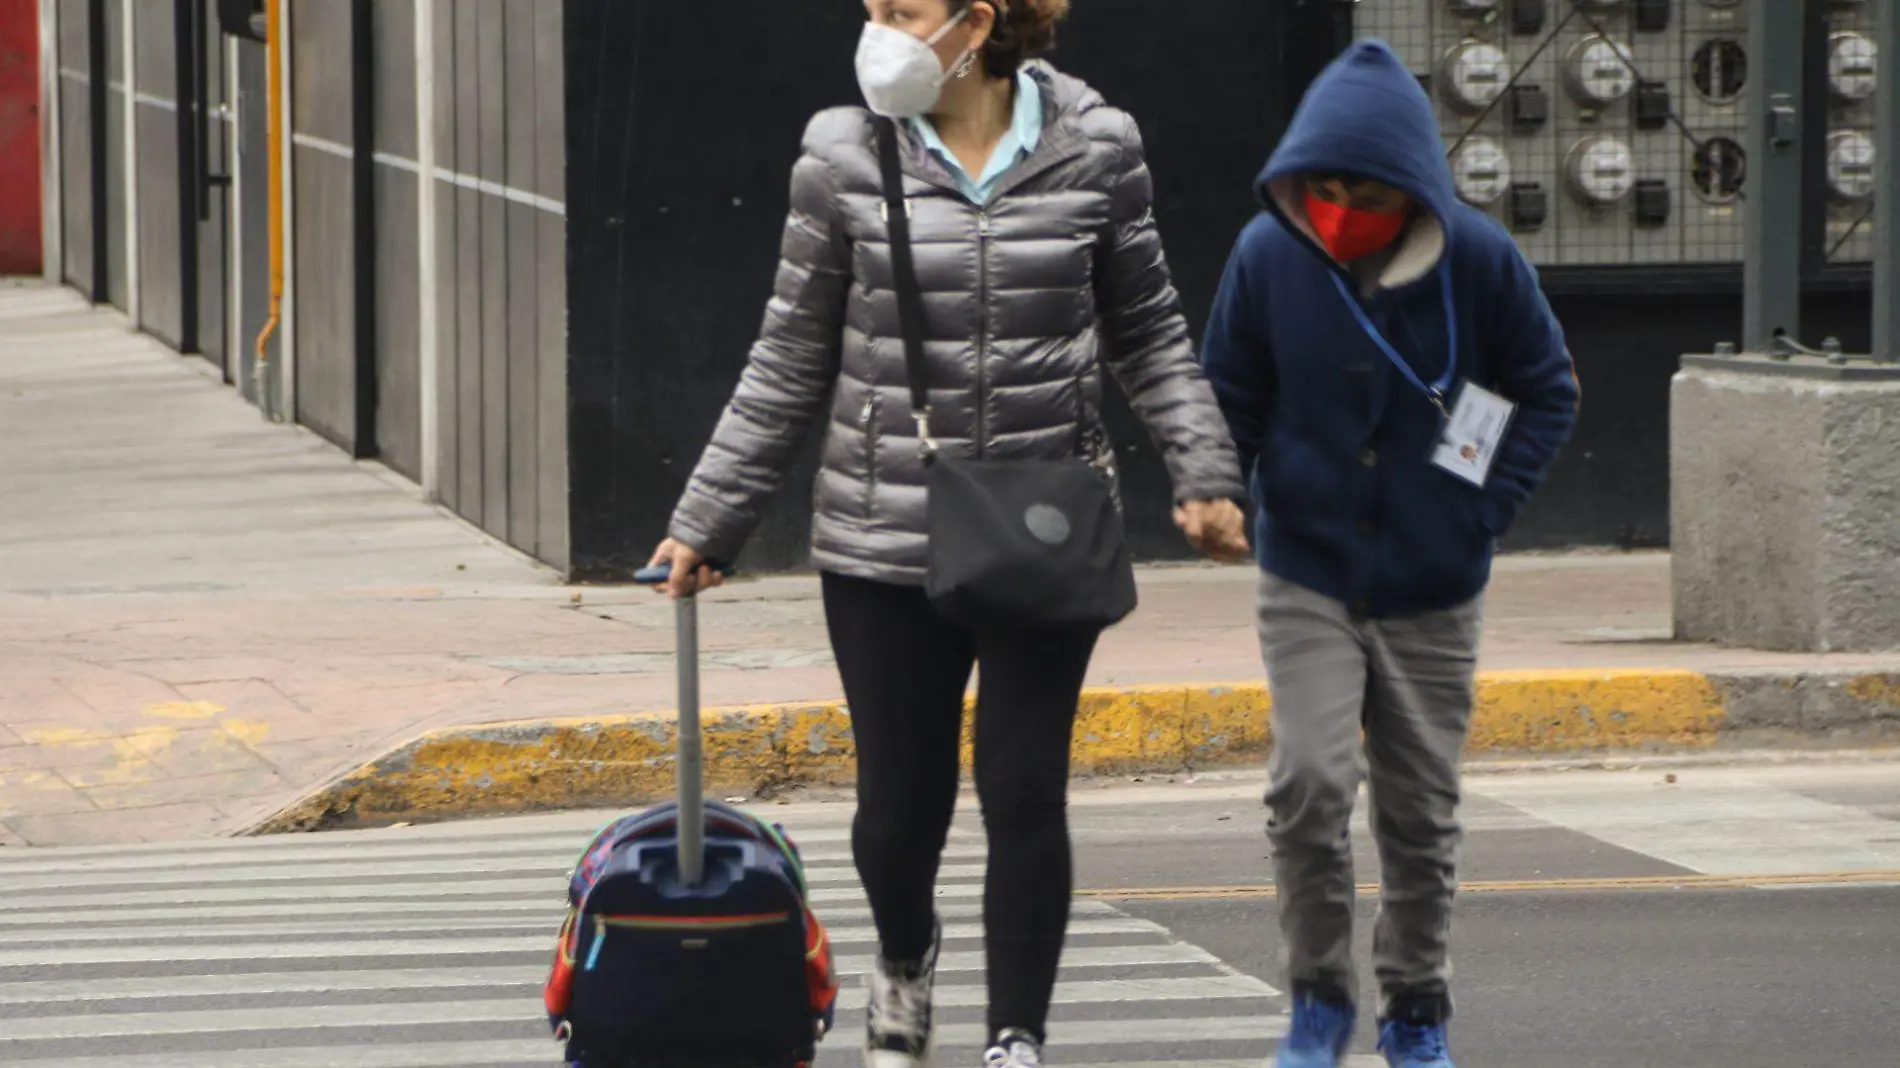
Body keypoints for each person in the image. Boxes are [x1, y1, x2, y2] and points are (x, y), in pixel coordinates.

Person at [646, 2, 1251, 1066]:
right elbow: (789, 355)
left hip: (1041, 521)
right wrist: (709, 518)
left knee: (1023, 792)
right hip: (885, 533)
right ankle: (904, 952)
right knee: (897, 813)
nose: (878, 27)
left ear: (978, 22)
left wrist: (1203, 472)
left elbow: (1148, 330)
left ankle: (1016, 1035)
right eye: (871, 8)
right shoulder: (839, 156)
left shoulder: (1096, 148)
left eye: (904, 11)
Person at [1198, 40, 1580, 1068]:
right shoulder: (1267, 255)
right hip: (1308, 571)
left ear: (1409, 182)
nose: (1337, 204)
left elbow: (1543, 388)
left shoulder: (1481, 260)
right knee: (1308, 787)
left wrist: (1478, 509)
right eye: (1319, 185)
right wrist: (1213, 488)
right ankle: (1318, 1001)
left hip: (1432, 584)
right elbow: (1225, 394)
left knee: (1419, 815)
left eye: (1361, 187)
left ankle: (1414, 1010)